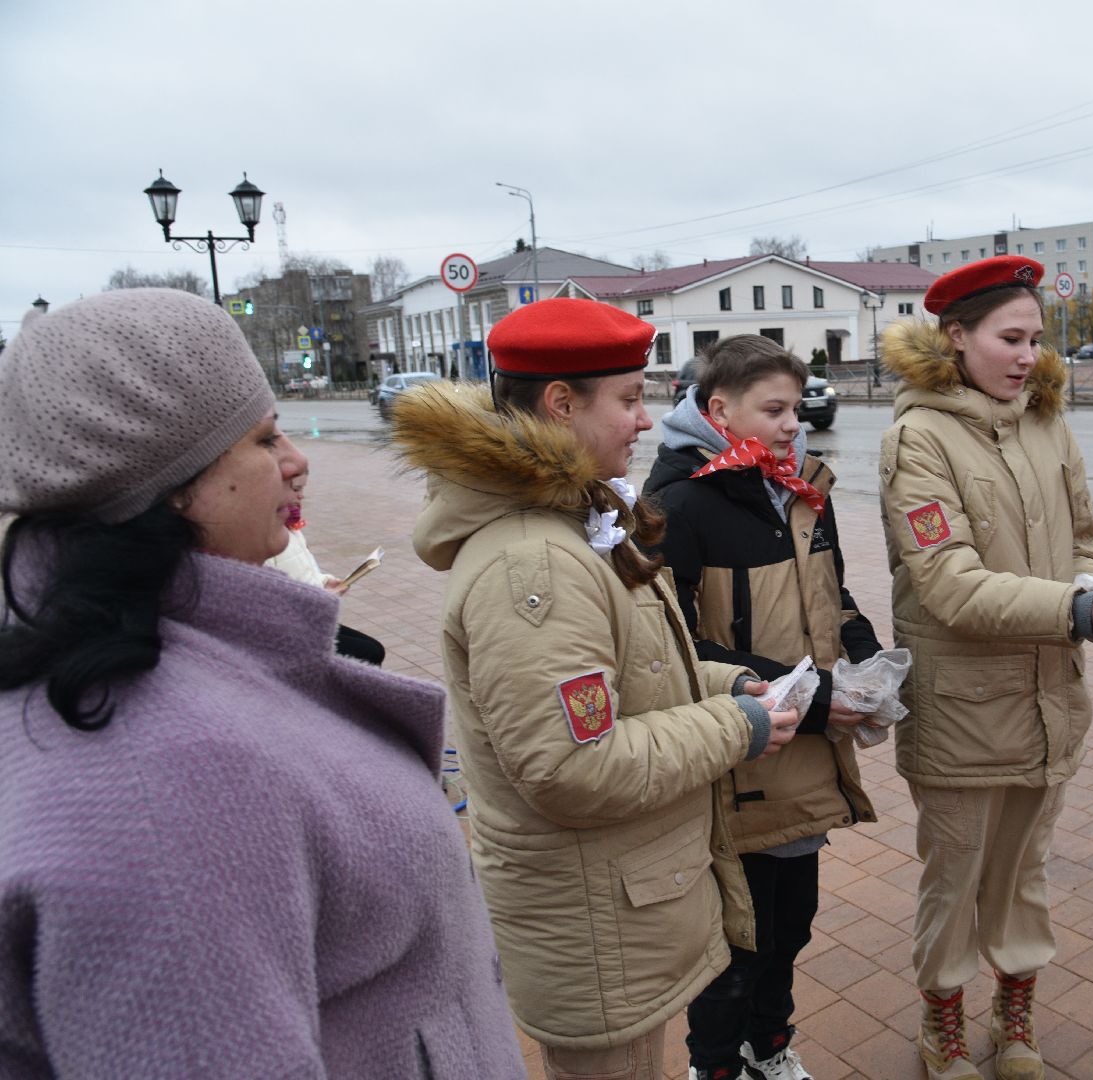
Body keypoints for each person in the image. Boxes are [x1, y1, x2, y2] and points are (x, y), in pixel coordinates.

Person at [0, 289, 525, 1078]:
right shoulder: (169, 787)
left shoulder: (153, 672)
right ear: (170, 485)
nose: (296, 459)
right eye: (262, 437)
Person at [390, 298, 800, 1080]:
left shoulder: (572, 520)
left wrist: (728, 681)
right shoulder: (532, 563)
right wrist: (733, 726)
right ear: (561, 404)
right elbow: (573, 768)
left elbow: (630, 674)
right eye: (631, 397)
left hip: (618, 908)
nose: (646, 420)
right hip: (595, 925)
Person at [878, 256, 1093, 1080]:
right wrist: (1080, 611)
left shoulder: (1046, 422)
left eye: (1038, 339)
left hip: (1049, 698)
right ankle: (943, 1024)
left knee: (1024, 872)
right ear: (956, 337)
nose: (1029, 357)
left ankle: (1015, 1018)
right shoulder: (917, 438)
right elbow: (949, 586)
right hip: (964, 708)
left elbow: (1083, 535)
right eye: (1010, 338)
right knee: (956, 874)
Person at [645, 335, 882, 1080]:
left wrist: (867, 663)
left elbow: (832, 595)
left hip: (804, 757)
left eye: (796, 406)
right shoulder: (678, 504)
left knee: (789, 926)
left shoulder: (803, 488)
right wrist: (815, 701)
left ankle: (769, 1048)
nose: (792, 423)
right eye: (773, 410)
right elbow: (673, 651)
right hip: (737, 755)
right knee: (733, 942)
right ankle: (712, 1066)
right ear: (720, 410)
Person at [266, 465, 388, 664]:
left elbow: (302, 571)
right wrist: (320, 597)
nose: (301, 496)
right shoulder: (267, 533)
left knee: (373, 650)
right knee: (369, 653)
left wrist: (325, 582)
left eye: (302, 490)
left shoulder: (291, 526)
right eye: (295, 490)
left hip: (310, 615)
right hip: (293, 626)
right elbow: (273, 593)